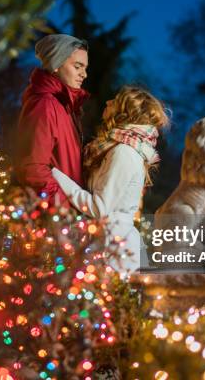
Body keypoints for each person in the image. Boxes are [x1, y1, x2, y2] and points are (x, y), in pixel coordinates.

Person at [51, 86, 169, 275]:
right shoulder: (118, 149)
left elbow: (100, 208)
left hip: (116, 254)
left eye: (114, 101)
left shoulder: (124, 153)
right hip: (110, 247)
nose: (108, 102)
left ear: (126, 113)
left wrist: (55, 174)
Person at [14, 34, 89, 202]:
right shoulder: (45, 105)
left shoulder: (67, 107)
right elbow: (33, 169)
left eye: (85, 68)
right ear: (56, 65)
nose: (84, 74)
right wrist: (66, 210)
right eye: (78, 66)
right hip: (55, 219)